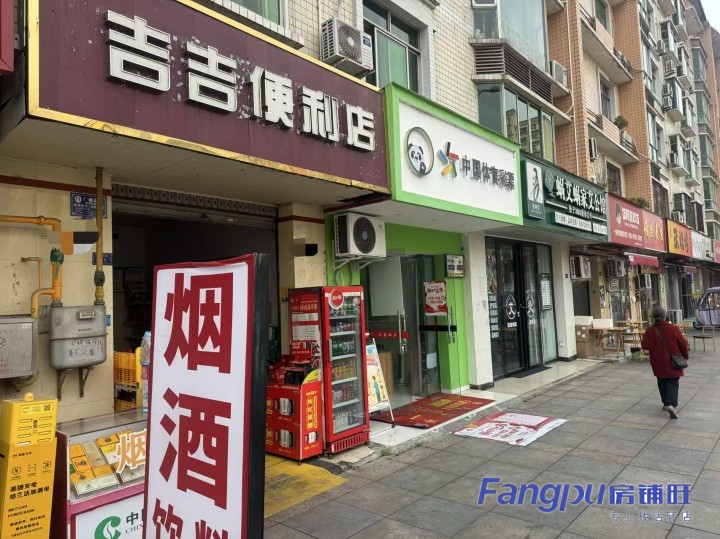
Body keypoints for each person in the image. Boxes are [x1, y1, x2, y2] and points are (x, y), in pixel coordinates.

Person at [641, 306, 689, 419]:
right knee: (673, 382)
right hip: (672, 361)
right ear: (665, 316)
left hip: (657, 361)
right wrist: (685, 356)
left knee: (661, 381)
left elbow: (645, 346)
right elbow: (683, 344)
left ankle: (665, 403)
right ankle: (671, 404)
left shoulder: (650, 330)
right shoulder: (674, 328)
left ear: (653, 317)